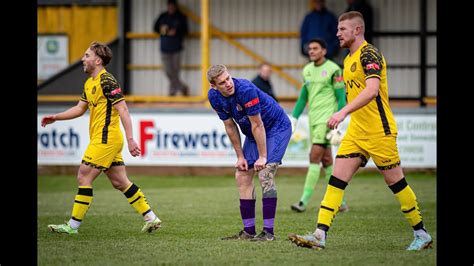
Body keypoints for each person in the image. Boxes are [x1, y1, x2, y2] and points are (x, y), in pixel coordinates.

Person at [288, 11, 433, 251]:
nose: (337, 34)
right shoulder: (347, 59)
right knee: (335, 181)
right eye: (337, 29)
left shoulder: (370, 53)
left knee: (396, 183)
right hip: (356, 132)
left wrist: (342, 112)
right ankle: (319, 234)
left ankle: (421, 233)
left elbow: (372, 90)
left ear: (357, 30)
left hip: (379, 131)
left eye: (341, 29)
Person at [42, 41, 162, 234]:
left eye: (87, 55)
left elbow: (123, 109)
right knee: (120, 182)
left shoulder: (107, 80)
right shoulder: (90, 83)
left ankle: (72, 226)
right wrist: (56, 117)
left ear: (97, 60)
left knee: (83, 176)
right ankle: (151, 218)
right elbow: (80, 108)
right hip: (104, 139)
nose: (83, 59)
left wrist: (131, 139)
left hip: (106, 139)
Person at [207, 64, 292, 241]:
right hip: (254, 134)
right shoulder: (213, 97)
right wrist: (240, 156)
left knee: (265, 174)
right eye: (222, 82)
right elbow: (229, 125)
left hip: (276, 128)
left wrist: (262, 157)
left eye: (228, 78)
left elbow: (258, 124)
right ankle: (249, 231)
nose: (228, 84)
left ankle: (268, 233)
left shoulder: (245, 90)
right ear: (214, 86)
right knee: (242, 175)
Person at [288, 38, 348, 213]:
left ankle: (303, 202)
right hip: (313, 121)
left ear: (324, 51)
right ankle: (341, 202)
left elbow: (341, 98)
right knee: (327, 161)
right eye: (310, 49)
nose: (311, 51)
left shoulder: (334, 69)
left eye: (315, 48)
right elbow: (303, 97)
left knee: (314, 157)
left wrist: (339, 121)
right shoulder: (306, 70)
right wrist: (294, 118)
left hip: (327, 121)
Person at [153, 0, 189, 96]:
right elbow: (155, 28)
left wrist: (176, 32)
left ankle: (172, 92)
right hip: (164, 48)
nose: (171, 8)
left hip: (177, 48)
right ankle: (182, 88)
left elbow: (186, 31)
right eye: (169, 6)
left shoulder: (181, 17)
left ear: (175, 6)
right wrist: (163, 29)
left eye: (172, 6)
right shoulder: (163, 16)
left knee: (175, 71)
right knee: (168, 71)